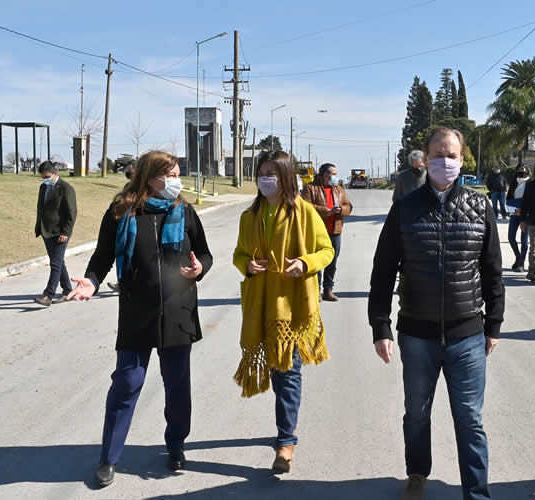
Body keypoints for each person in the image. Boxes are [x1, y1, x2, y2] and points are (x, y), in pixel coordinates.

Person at [368, 127, 505, 500]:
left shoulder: (481, 207)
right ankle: (417, 473)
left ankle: (476, 492)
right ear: (425, 160)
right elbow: (382, 272)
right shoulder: (405, 209)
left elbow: (493, 270)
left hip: (468, 336)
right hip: (416, 335)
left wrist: (493, 324)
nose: (445, 162)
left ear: (463, 160)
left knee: (470, 419)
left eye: (453, 155)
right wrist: (381, 327)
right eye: (438, 155)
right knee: (416, 412)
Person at [66, 151, 213, 488]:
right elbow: (103, 254)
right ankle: (108, 458)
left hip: (178, 312)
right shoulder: (122, 211)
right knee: (127, 384)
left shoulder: (183, 210)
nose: (176, 180)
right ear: (149, 177)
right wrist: (91, 280)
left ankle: (176, 444)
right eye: (169, 174)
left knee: (178, 387)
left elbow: (203, 252)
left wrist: (200, 268)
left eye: (177, 173)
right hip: (136, 312)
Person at [232, 150, 335, 474]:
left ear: (287, 177)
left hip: (292, 308)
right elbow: (238, 255)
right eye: (262, 172)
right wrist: (246, 265)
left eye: (273, 173)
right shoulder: (249, 216)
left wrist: (305, 263)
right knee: (278, 375)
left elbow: (326, 250)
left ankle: (286, 442)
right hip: (259, 306)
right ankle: (285, 428)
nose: (266, 178)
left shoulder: (304, 213)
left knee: (288, 373)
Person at [302, 162, 353, 301]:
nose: (336, 177)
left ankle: (328, 290)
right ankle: (316, 291)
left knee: (332, 262)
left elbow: (348, 205)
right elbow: (305, 206)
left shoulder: (339, 189)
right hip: (317, 232)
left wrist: (341, 210)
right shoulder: (310, 188)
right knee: (317, 262)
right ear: (325, 175)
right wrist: (327, 212)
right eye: (334, 174)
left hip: (335, 231)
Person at [33, 161, 77, 306]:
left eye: (47, 176)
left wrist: (66, 231)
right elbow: (41, 208)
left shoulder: (66, 188)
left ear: (55, 173)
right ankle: (67, 291)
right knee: (59, 262)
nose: (44, 179)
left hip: (60, 232)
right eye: (42, 177)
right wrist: (39, 227)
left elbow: (72, 213)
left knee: (55, 263)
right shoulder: (43, 187)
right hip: (46, 231)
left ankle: (48, 295)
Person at [108, 163, 136, 293]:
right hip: (124, 227)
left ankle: (125, 282)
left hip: (133, 228)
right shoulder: (127, 188)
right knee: (123, 254)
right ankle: (122, 282)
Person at [505, 165, 531, 272]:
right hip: (514, 214)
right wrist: (512, 210)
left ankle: (521, 263)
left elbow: (531, 199)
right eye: (519, 169)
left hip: (526, 215)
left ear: (527, 171)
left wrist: (524, 211)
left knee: (524, 239)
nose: (521, 171)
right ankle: (518, 256)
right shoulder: (514, 182)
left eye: (523, 169)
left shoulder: (530, 183)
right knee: (511, 237)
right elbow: (509, 198)